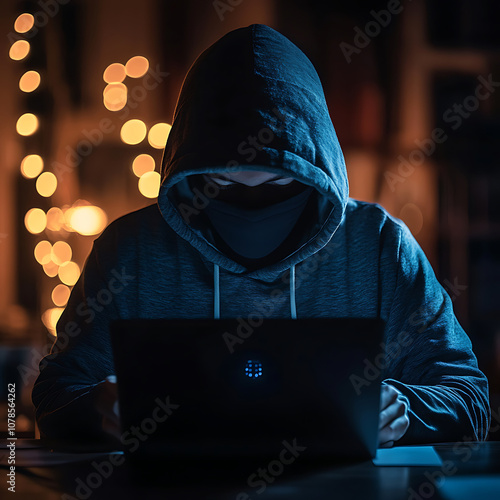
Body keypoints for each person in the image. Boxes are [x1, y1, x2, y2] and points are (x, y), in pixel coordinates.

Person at [32, 24, 490, 448]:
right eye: (224, 186)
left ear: (317, 177)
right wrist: (97, 410)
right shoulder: (129, 252)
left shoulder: (379, 247)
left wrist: (403, 412)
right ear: (189, 177)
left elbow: (470, 398)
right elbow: (53, 396)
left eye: (278, 185)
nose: (251, 208)